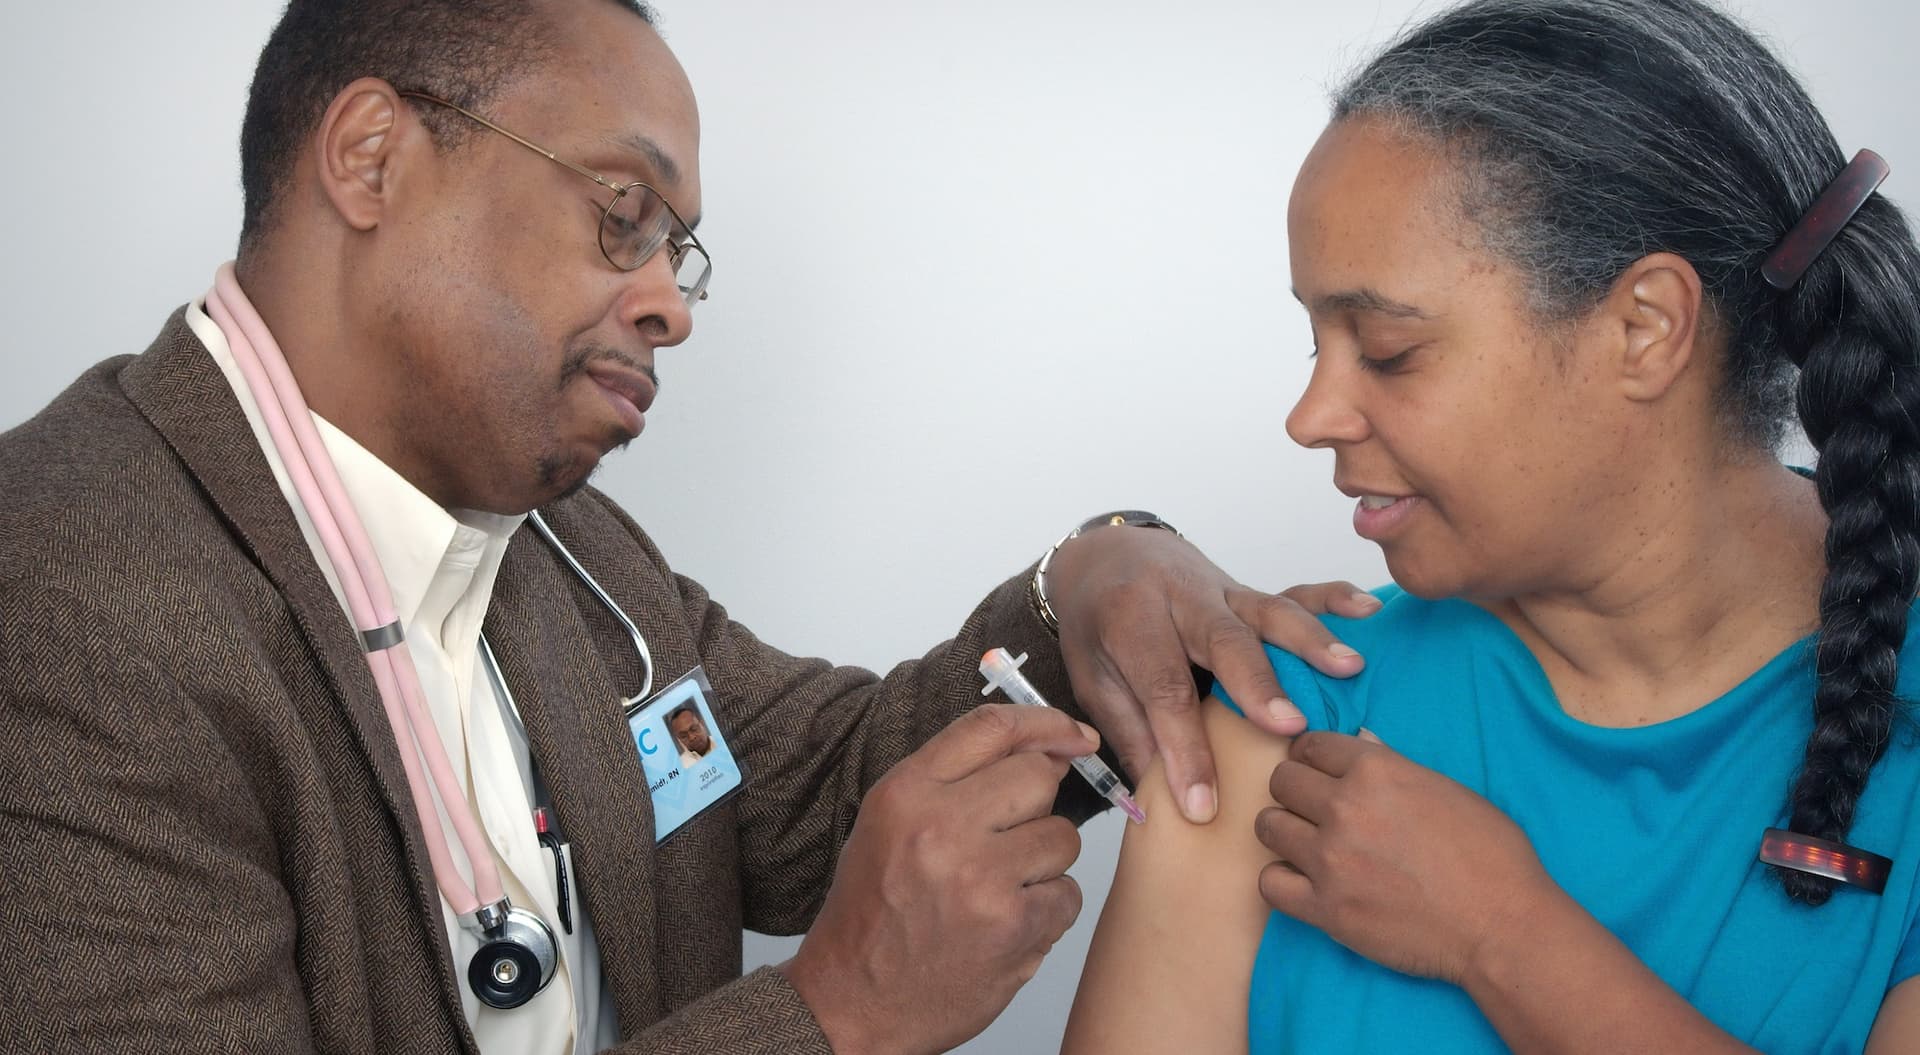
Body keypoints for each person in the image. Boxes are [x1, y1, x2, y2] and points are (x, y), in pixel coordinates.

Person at [0, 1, 1379, 1052]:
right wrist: (824, 1016)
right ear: (370, 157)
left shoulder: (572, 557)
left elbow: (829, 789)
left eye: (678, 246)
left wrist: (1088, 577)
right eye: (622, 214)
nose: (672, 303)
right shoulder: (62, 591)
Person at [1065, 0, 1920, 1050]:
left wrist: (1502, 933)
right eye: (1314, 342)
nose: (1309, 417)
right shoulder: (1284, 726)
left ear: (1644, 327)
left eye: (1386, 348)